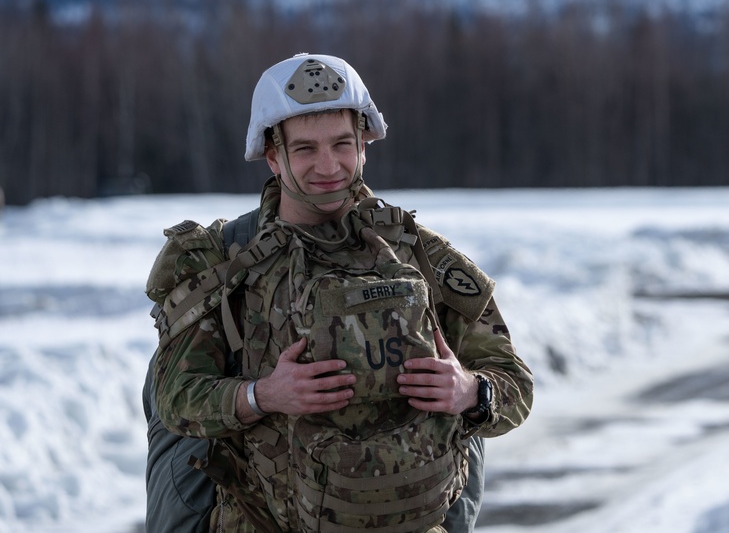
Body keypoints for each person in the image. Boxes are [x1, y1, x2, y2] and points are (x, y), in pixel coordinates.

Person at [145, 53, 533, 532]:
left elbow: (515, 385)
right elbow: (174, 399)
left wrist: (470, 392)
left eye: (342, 144)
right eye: (305, 148)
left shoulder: (418, 255)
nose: (327, 166)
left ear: (364, 145)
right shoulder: (223, 261)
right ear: (273, 156)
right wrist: (261, 395)